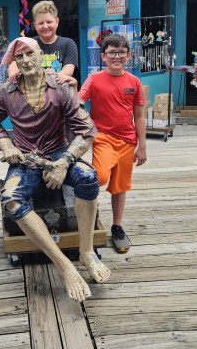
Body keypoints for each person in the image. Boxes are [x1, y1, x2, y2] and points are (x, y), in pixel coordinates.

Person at [0, 37, 110, 302]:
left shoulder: (61, 88)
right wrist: (5, 143)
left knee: (89, 178)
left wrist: (64, 162)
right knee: (10, 197)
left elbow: (87, 131)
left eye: (31, 54)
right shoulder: (6, 92)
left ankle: (86, 252)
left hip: (57, 154)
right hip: (26, 159)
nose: (26, 61)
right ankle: (63, 265)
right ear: (15, 62)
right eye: (20, 57)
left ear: (42, 55)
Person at [78, 34, 147, 253]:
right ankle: (88, 212)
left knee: (120, 186)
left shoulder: (134, 82)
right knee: (99, 176)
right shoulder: (94, 79)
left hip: (127, 140)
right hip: (103, 137)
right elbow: (79, 102)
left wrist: (142, 145)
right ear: (103, 56)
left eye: (121, 52)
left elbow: (139, 115)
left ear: (128, 55)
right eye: (111, 52)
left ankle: (117, 226)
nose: (116, 56)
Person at [7, 0, 78, 84]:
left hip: (58, 89)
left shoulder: (68, 43)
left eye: (49, 22)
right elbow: (15, 63)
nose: (45, 26)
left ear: (57, 22)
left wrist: (56, 76)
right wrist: (13, 74)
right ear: (35, 25)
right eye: (41, 23)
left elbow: (69, 68)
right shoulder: (28, 44)